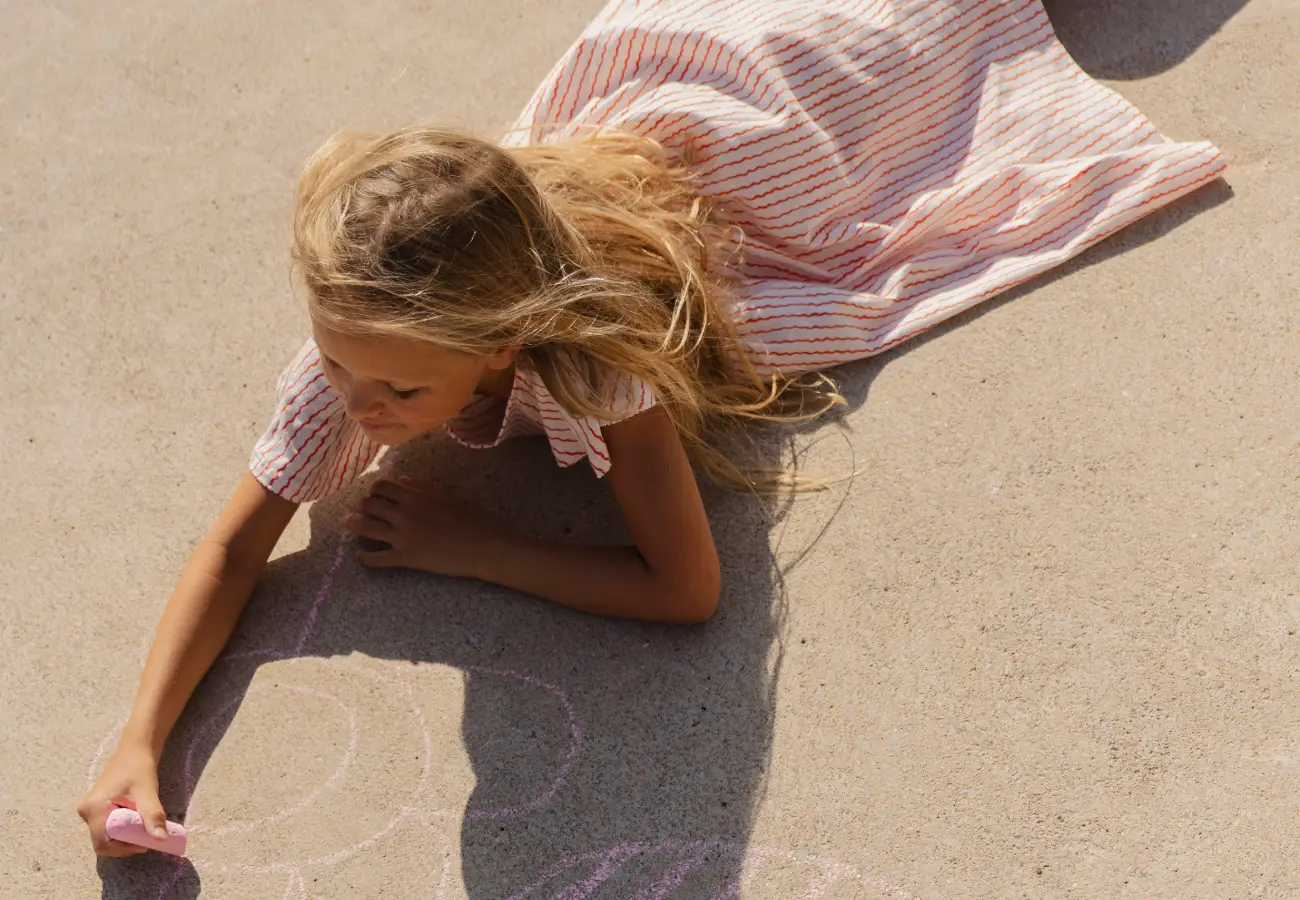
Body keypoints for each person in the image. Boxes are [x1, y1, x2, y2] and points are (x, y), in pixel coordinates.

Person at [78, 0, 1223, 857]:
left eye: (397, 395)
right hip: (708, 64)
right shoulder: (370, 343)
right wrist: (140, 740)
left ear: (503, 346)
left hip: (809, 100)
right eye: (336, 365)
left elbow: (687, 589)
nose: (358, 409)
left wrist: (471, 547)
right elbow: (233, 543)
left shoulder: (598, 354)